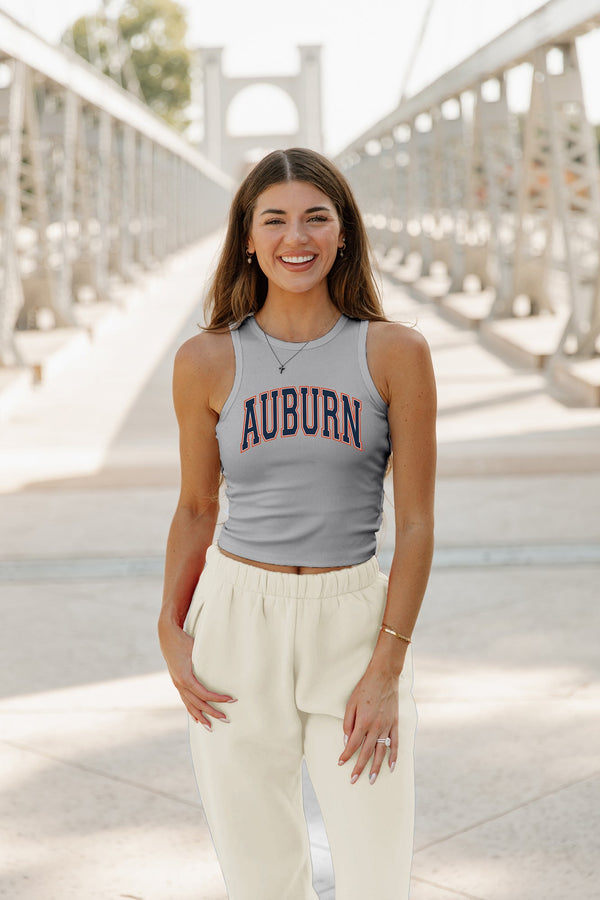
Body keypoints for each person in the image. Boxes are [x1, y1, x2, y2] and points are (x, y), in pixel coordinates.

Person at [158, 147, 437, 900]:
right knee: (259, 878)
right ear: (247, 238)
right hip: (236, 623)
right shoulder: (206, 360)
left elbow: (413, 524)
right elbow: (195, 508)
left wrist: (386, 670)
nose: (296, 237)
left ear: (343, 232)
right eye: (274, 219)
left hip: (350, 622)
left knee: (378, 873)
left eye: (316, 217)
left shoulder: (395, 353)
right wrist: (170, 628)